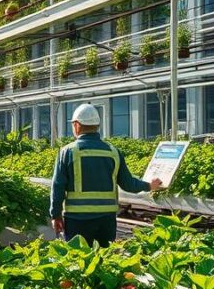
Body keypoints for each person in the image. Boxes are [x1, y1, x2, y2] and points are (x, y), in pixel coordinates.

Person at [50, 103, 161, 247]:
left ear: (77, 125)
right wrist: (149, 185)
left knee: (78, 258)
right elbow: (128, 183)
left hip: (77, 219)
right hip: (106, 220)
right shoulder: (113, 152)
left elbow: (57, 187)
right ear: (97, 126)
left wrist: (56, 215)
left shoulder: (67, 152)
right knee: (105, 257)